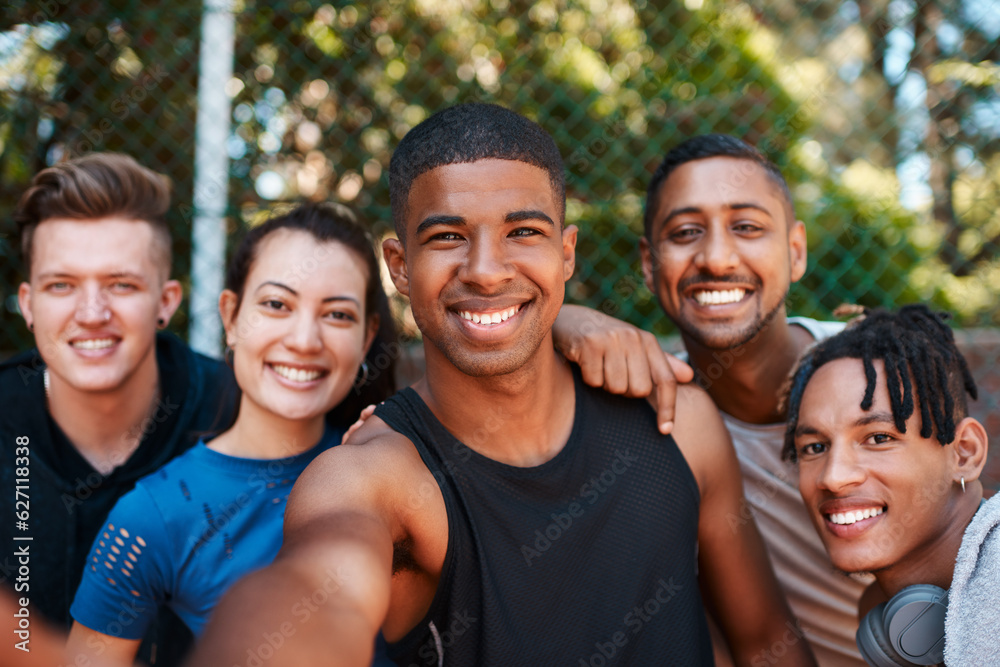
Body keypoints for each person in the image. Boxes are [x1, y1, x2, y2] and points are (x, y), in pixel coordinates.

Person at [186, 103, 813, 667]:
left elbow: (765, 642)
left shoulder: (678, 419)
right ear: (400, 266)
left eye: (523, 233)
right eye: (448, 237)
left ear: (566, 253)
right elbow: (314, 592)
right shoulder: (369, 475)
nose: (486, 271)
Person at [552, 134, 868, 665]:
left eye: (746, 227)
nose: (717, 258)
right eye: (686, 232)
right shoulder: (652, 410)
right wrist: (559, 317)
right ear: (650, 265)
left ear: (795, 252)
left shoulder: (885, 378)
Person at [65, 203, 397, 666]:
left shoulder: (394, 466)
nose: (304, 339)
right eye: (276, 305)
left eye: (337, 315)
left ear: (366, 338)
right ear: (231, 317)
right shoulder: (150, 517)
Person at [0, 153, 237, 664]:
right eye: (61, 285)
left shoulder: (235, 411)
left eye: (120, 284)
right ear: (29, 304)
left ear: (166, 301)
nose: (91, 314)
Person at [783, 304, 999, 666]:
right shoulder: (886, 615)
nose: (833, 477)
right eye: (815, 447)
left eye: (879, 438)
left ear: (964, 453)